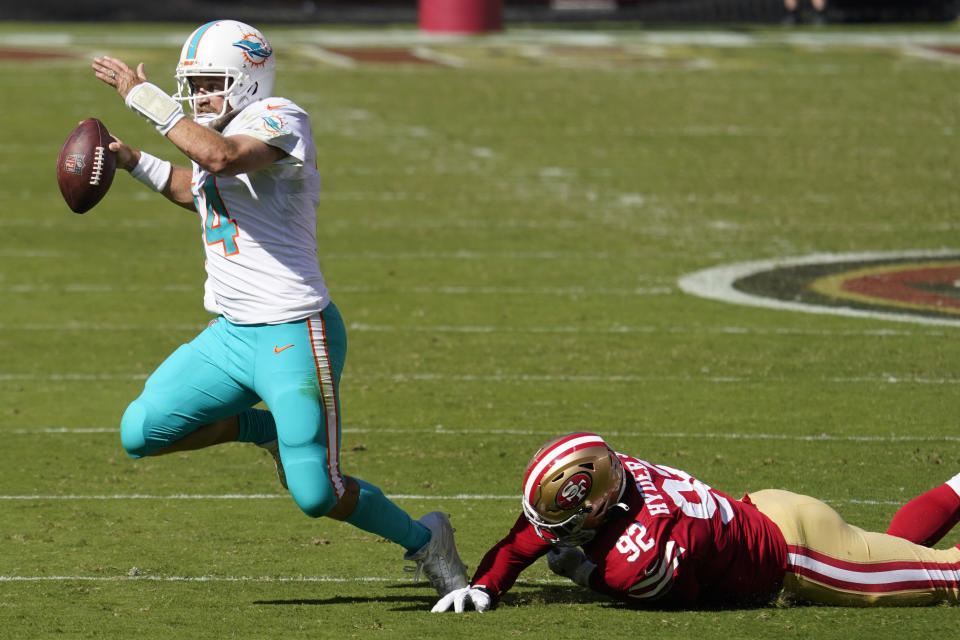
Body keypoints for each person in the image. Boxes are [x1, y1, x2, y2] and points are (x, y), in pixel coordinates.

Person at [91, 20, 467, 597]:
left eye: (211, 82)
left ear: (249, 78)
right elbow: (200, 191)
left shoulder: (280, 117)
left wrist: (147, 101)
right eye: (191, 84)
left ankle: (427, 541)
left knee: (317, 494)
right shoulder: (216, 130)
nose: (200, 96)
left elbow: (219, 159)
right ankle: (257, 426)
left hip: (295, 333)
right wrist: (131, 160)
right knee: (142, 432)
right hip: (231, 336)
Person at [433, 432, 960, 612]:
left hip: (802, 558)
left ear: (596, 503)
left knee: (947, 577)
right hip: (771, 510)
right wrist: (485, 586)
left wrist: (583, 574)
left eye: (565, 514)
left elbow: (684, 597)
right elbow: (522, 541)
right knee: (887, 549)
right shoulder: (617, 478)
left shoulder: (635, 558)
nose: (549, 529)